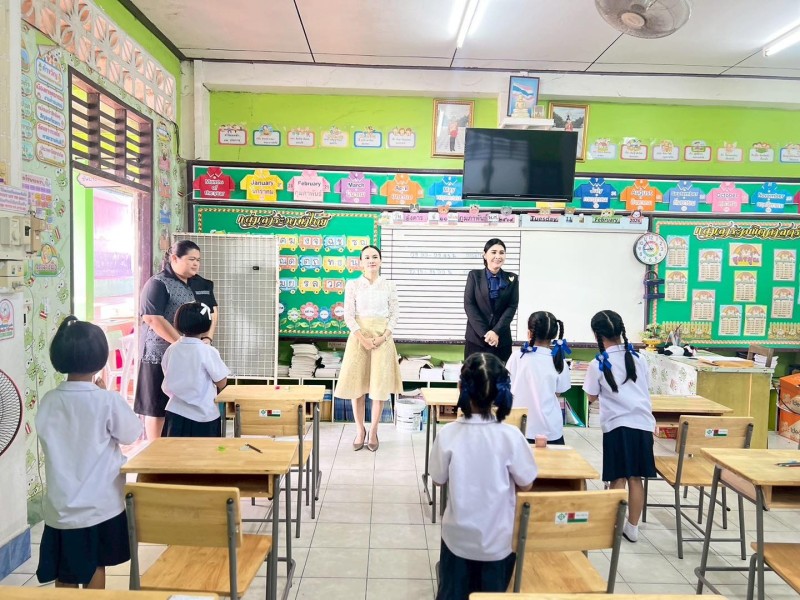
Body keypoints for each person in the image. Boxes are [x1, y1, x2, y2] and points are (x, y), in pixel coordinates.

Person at [35, 317, 142, 589]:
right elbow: (131, 433)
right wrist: (104, 395)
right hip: (100, 506)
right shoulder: (106, 400)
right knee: (95, 565)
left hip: (61, 507)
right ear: (100, 358)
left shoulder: (49, 401)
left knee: (65, 571)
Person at [430, 353, 538, 600]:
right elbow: (527, 483)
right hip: (498, 543)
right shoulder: (511, 436)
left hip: (457, 541)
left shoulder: (448, 434)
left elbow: (437, 479)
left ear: (461, 388)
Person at [583, 309, 656, 543]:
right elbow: (644, 386)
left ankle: (612, 525)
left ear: (597, 334)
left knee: (617, 478)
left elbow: (591, 396)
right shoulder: (638, 358)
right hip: (643, 424)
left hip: (617, 426)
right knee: (635, 477)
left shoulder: (598, 363)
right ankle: (632, 527)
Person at [134, 240, 218, 441]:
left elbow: (213, 312)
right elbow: (153, 318)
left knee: (186, 405)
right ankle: (155, 450)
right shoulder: (158, 283)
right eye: (191, 259)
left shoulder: (201, 283)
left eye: (198, 260)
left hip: (193, 357)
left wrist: (207, 338)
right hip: (159, 354)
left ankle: (181, 450)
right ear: (174, 258)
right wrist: (182, 345)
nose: (196, 264)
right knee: (157, 407)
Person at [337, 244, 402, 452]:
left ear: (380, 261)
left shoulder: (389, 285)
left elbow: (395, 315)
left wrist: (383, 337)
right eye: (367, 257)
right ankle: (360, 430)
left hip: (382, 340)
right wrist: (363, 339)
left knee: (378, 388)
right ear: (360, 262)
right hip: (359, 339)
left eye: (375, 257)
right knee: (357, 387)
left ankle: (373, 431)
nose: (371, 260)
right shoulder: (353, 285)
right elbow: (348, 315)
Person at [161, 302, 229, 437]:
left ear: (177, 322)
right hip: (204, 414)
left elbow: (166, 372)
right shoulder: (207, 351)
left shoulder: (171, 349)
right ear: (206, 325)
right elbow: (222, 382)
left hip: (175, 411)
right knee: (203, 450)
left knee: (174, 450)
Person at [506, 310, 571, 445]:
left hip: (519, 426)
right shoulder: (559, 360)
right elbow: (558, 392)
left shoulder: (517, 357)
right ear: (554, 336)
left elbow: (507, 386)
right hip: (550, 430)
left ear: (529, 333)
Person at [463, 238, 519, 362]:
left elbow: (511, 307)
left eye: (501, 253)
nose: (498, 256)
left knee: (500, 374)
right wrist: (486, 334)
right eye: (493, 252)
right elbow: (469, 305)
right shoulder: (474, 276)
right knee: (474, 374)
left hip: (501, 340)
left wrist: (496, 332)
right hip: (476, 339)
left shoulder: (512, 278)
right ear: (485, 255)